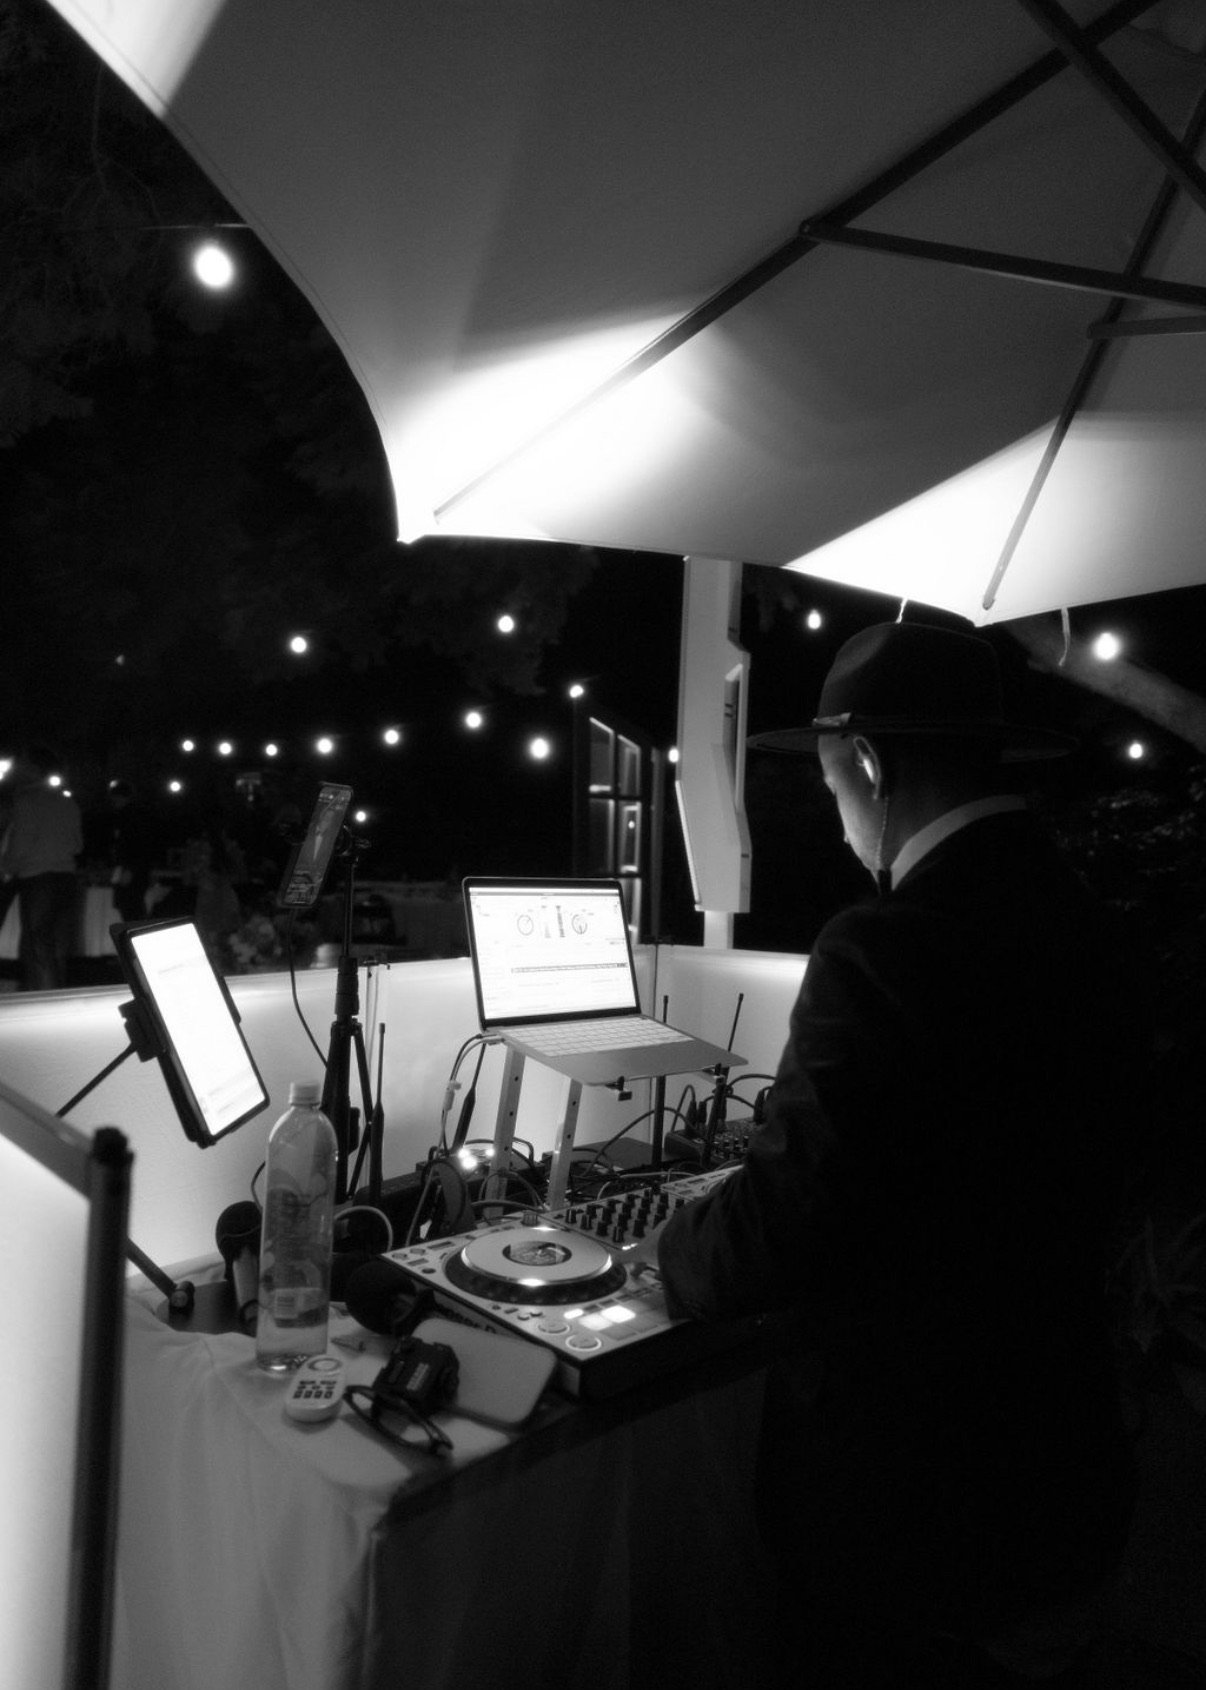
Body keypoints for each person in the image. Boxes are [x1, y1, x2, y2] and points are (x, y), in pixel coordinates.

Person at [636, 621, 1146, 1689]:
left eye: (830, 789)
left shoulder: (886, 944)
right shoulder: (1088, 920)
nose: (839, 822)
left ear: (865, 762)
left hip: (912, 1508)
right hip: (1064, 1457)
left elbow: (787, 1218)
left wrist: (671, 1248)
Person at [0, 744, 84, 990]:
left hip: (38, 878)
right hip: (66, 877)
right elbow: (77, 844)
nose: (18, 768)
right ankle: (56, 1001)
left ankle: (42, 1000)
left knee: (38, 946)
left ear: (34, 769)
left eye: (23, 764)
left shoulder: (27, 801)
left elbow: (21, 844)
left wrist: (7, 867)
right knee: (56, 947)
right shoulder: (67, 802)